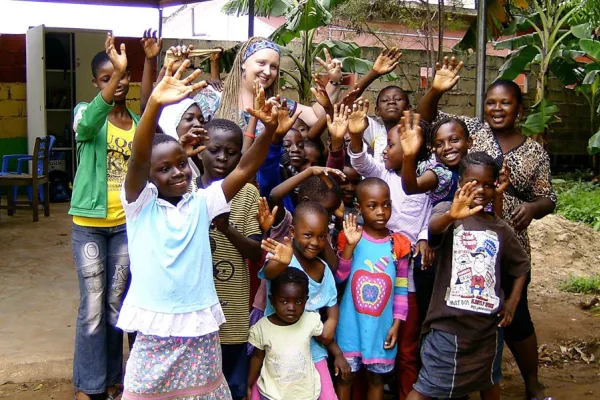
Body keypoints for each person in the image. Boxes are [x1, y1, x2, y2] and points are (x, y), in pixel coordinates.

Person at [117, 59, 283, 399]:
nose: (178, 172)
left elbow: (246, 167)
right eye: (164, 168)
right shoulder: (139, 206)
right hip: (156, 324)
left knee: (202, 392)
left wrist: (268, 131)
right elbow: (137, 157)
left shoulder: (202, 203)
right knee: (143, 391)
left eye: (181, 164)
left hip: (199, 324)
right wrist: (154, 105)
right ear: (148, 175)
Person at [416, 56, 557, 400]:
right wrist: (436, 89)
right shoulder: (473, 132)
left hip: (507, 240)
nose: (497, 109)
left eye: (505, 103)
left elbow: (548, 197)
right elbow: (429, 121)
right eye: (491, 102)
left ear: (518, 108)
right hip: (462, 238)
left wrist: (531, 207)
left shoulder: (535, 151)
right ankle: (456, 379)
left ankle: (531, 384)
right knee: (465, 307)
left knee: (515, 315)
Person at [407, 152, 530, 400]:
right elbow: (433, 231)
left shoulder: (500, 227)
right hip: (448, 326)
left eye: (488, 184)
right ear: (461, 182)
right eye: (474, 183)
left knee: (489, 380)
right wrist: (452, 215)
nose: (481, 190)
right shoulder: (447, 213)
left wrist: (513, 302)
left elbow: (521, 266)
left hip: (487, 328)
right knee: (427, 387)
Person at [70, 32, 149, 400]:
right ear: (96, 83)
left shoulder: (135, 121)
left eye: (120, 76)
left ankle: (114, 379)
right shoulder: (86, 113)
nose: (116, 83)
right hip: (89, 227)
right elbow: (84, 129)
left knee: (117, 305)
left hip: (124, 227)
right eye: (107, 78)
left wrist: (147, 61)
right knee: (92, 308)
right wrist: (115, 75)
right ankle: (89, 385)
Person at [345, 99, 433, 399]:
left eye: (393, 145)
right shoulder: (383, 176)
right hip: (370, 265)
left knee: (405, 349)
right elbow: (361, 163)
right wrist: (356, 136)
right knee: (360, 352)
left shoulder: (426, 183)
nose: (385, 150)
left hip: (402, 275)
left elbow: (431, 216)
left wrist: (422, 237)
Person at [259, 201, 347, 400]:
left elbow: (332, 303)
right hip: (279, 350)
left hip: (314, 350)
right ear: (292, 231)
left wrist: (331, 322)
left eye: (322, 236)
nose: (315, 242)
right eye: (308, 235)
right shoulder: (282, 257)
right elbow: (269, 273)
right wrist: (281, 262)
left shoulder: (323, 268)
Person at [334, 178, 412, 400]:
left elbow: (401, 289)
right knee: (345, 377)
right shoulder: (350, 238)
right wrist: (349, 247)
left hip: (382, 328)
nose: (381, 211)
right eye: (373, 206)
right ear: (359, 208)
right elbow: (340, 277)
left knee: (377, 380)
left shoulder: (398, 245)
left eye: (386, 204)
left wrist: (397, 325)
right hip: (350, 327)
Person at [194, 38, 342, 135]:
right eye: (261, 63)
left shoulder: (276, 105)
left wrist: (334, 80)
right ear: (243, 63)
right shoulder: (212, 98)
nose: (267, 71)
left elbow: (317, 117)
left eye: (273, 67)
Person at [248, 267, 350, 400]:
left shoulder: (309, 320)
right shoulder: (262, 327)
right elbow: (257, 358)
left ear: (305, 300)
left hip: (305, 394)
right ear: (272, 300)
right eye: (284, 301)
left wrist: (339, 355)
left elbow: (325, 338)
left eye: (298, 302)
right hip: (273, 394)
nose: (291, 307)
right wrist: (248, 384)